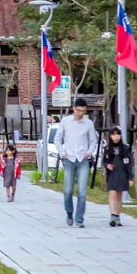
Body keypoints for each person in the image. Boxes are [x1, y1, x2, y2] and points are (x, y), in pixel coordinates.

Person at [54, 98, 99, 228]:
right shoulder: (65, 121)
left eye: (83, 111)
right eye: (79, 110)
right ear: (74, 108)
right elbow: (58, 139)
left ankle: (79, 219)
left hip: (83, 159)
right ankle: (69, 212)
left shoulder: (88, 123)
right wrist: (63, 153)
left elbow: (93, 141)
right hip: (69, 159)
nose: (80, 113)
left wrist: (89, 153)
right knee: (68, 190)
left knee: (82, 191)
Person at [104, 127, 134, 227]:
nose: (116, 137)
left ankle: (117, 215)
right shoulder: (108, 148)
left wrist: (130, 178)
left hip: (122, 173)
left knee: (119, 195)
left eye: (118, 134)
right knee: (112, 193)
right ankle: (112, 215)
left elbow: (129, 163)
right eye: (113, 134)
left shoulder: (125, 148)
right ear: (110, 136)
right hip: (112, 174)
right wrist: (107, 165)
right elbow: (104, 161)